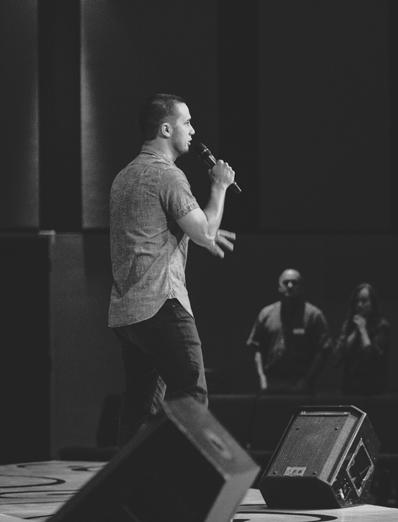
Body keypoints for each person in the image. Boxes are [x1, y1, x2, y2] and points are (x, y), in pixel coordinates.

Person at [108, 93, 236, 445]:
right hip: (162, 303)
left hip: (128, 311)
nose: (193, 130)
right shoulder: (168, 175)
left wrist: (199, 231)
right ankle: (182, 475)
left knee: (139, 406)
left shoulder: (124, 177)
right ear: (166, 129)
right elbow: (204, 232)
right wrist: (220, 186)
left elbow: (154, 231)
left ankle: (130, 477)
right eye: (187, 122)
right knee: (191, 396)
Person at [246, 268, 332, 393]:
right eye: (286, 282)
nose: (290, 286)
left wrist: (307, 380)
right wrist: (262, 378)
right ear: (279, 287)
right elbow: (256, 348)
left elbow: (323, 351)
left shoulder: (314, 316)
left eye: (294, 282)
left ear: (301, 287)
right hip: (272, 383)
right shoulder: (266, 314)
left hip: (301, 384)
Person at [334, 282, 390, 395]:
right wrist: (355, 331)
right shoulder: (348, 325)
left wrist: (363, 330)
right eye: (357, 301)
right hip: (349, 389)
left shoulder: (382, 325)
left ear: (372, 303)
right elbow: (338, 357)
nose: (359, 305)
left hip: (373, 390)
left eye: (364, 301)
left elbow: (373, 357)